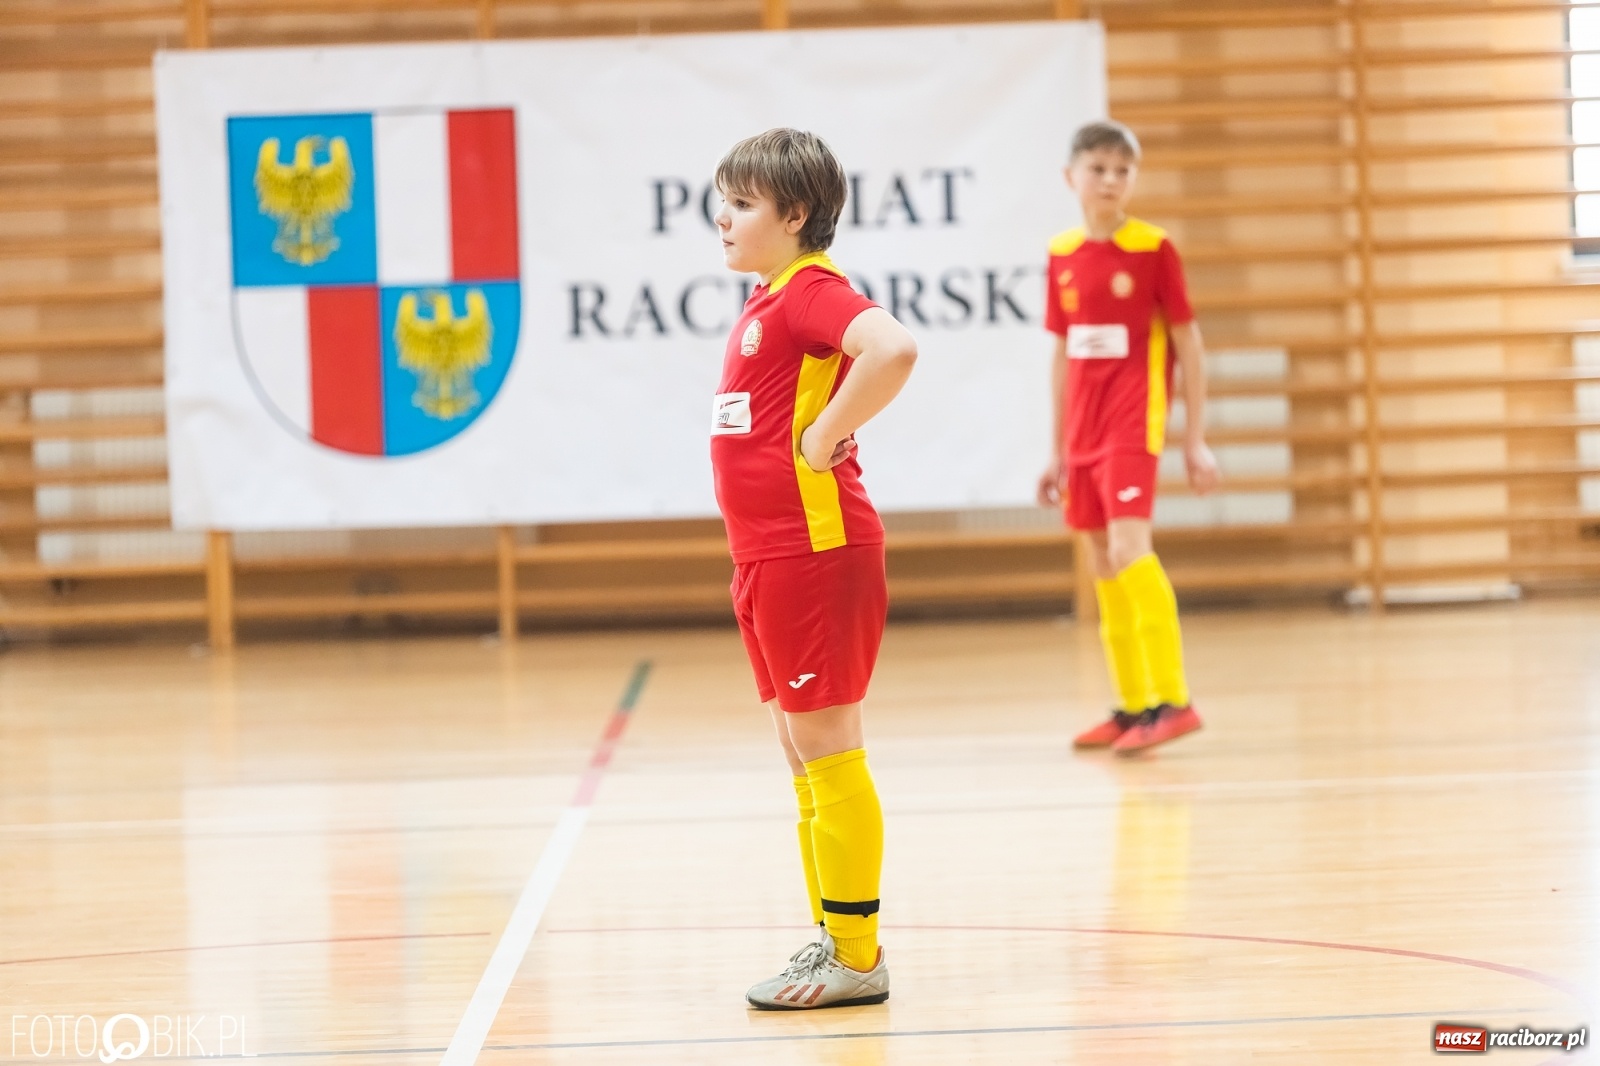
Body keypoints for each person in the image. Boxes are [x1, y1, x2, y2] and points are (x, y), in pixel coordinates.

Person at [709, 128, 917, 1008]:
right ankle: (835, 938)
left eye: (744, 203)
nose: (724, 218)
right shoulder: (767, 303)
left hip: (813, 553)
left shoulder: (810, 294)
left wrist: (826, 434)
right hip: (767, 557)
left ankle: (859, 958)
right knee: (803, 752)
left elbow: (894, 348)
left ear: (795, 216)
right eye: (724, 199)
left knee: (827, 750)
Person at [1037, 119, 1218, 756]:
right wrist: (1057, 449)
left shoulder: (1153, 248)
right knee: (1103, 563)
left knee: (1129, 546)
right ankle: (1133, 706)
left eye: (1122, 169)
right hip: (1082, 434)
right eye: (1098, 168)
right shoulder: (1061, 254)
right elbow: (1062, 356)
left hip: (1131, 424)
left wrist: (1194, 437)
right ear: (1072, 178)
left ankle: (1175, 700)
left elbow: (1189, 344)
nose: (1111, 180)